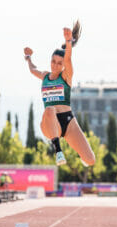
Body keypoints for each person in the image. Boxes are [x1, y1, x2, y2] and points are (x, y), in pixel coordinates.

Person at [23, 20, 95, 167]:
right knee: (50, 109)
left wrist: (68, 42)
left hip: (68, 121)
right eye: (53, 61)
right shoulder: (44, 76)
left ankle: (83, 157)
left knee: (91, 160)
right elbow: (32, 69)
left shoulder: (66, 77)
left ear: (63, 65)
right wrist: (28, 58)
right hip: (50, 124)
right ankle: (58, 151)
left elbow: (68, 59)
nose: (55, 65)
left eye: (59, 63)